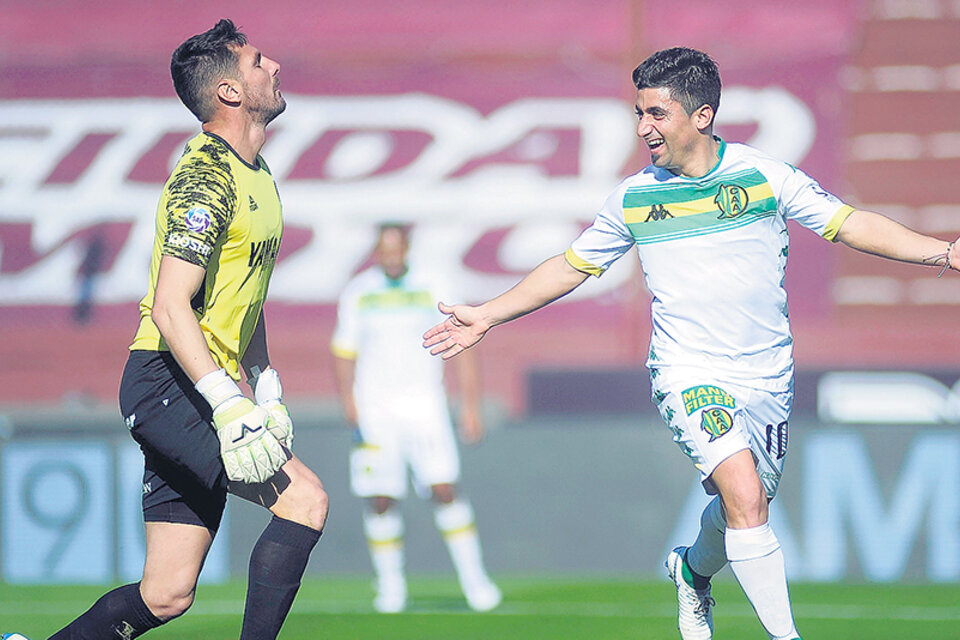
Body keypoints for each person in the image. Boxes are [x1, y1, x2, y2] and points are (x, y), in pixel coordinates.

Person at [423, 46, 960, 640]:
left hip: (767, 376)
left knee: (743, 512)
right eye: (638, 112)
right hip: (687, 370)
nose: (642, 128)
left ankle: (691, 571)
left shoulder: (764, 176)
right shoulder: (634, 197)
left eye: (656, 113)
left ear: (700, 115)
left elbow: (849, 222)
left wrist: (943, 251)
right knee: (745, 497)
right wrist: (489, 315)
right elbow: (572, 265)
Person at [49, 19, 328, 640]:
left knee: (166, 595)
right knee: (305, 501)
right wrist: (229, 405)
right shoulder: (206, 175)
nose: (274, 64)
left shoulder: (258, 172)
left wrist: (266, 384)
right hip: (168, 381)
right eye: (258, 62)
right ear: (229, 92)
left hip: (200, 385)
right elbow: (172, 306)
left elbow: (243, 296)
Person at [331, 223, 501, 613]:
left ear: (407, 248)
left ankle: (475, 582)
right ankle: (391, 588)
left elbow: (464, 344)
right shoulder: (360, 291)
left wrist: (470, 406)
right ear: (376, 252)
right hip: (374, 408)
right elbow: (343, 349)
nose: (390, 256)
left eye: (396, 249)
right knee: (380, 497)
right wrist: (348, 401)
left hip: (425, 404)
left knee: (444, 488)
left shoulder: (433, 284)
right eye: (383, 250)